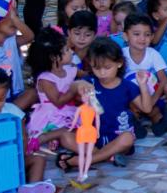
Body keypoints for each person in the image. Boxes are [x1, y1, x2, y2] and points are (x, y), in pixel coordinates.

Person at [55, 39, 155, 176]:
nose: (102, 73)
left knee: (128, 138)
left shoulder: (127, 86)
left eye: (107, 68)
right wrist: (78, 85)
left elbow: (147, 109)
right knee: (65, 137)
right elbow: (72, 88)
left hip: (118, 137)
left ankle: (81, 161)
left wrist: (143, 85)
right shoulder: (90, 82)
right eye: (97, 68)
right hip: (93, 138)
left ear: (119, 63)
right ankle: (107, 156)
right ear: (91, 64)